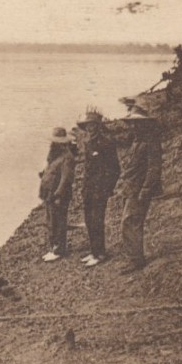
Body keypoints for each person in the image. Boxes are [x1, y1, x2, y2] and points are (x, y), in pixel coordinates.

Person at [119, 109, 162, 275]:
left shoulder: (151, 142)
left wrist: (146, 189)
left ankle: (136, 260)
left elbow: (154, 169)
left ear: (145, 124)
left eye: (137, 123)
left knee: (130, 222)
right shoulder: (137, 140)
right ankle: (133, 257)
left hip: (139, 190)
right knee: (129, 222)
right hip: (131, 188)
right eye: (132, 123)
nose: (134, 126)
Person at [77, 110, 121, 267]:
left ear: (98, 126)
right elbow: (88, 170)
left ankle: (100, 253)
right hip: (89, 189)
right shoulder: (88, 143)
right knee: (89, 220)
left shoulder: (106, 143)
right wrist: (84, 188)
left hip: (99, 189)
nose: (90, 128)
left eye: (93, 125)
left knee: (97, 220)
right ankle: (94, 251)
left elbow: (115, 169)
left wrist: (107, 188)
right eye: (88, 126)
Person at [38, 127, 76, 262]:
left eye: (57, 142)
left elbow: (66, 179)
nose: (54, 145)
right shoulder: (53, 156)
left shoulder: (67, 158)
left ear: (63, 143)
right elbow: (50, 171)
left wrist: (59, 194)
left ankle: (59, 249)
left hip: (58, 194)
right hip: (49, 193)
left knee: (58, 221)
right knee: (51, 221)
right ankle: (54, 247)